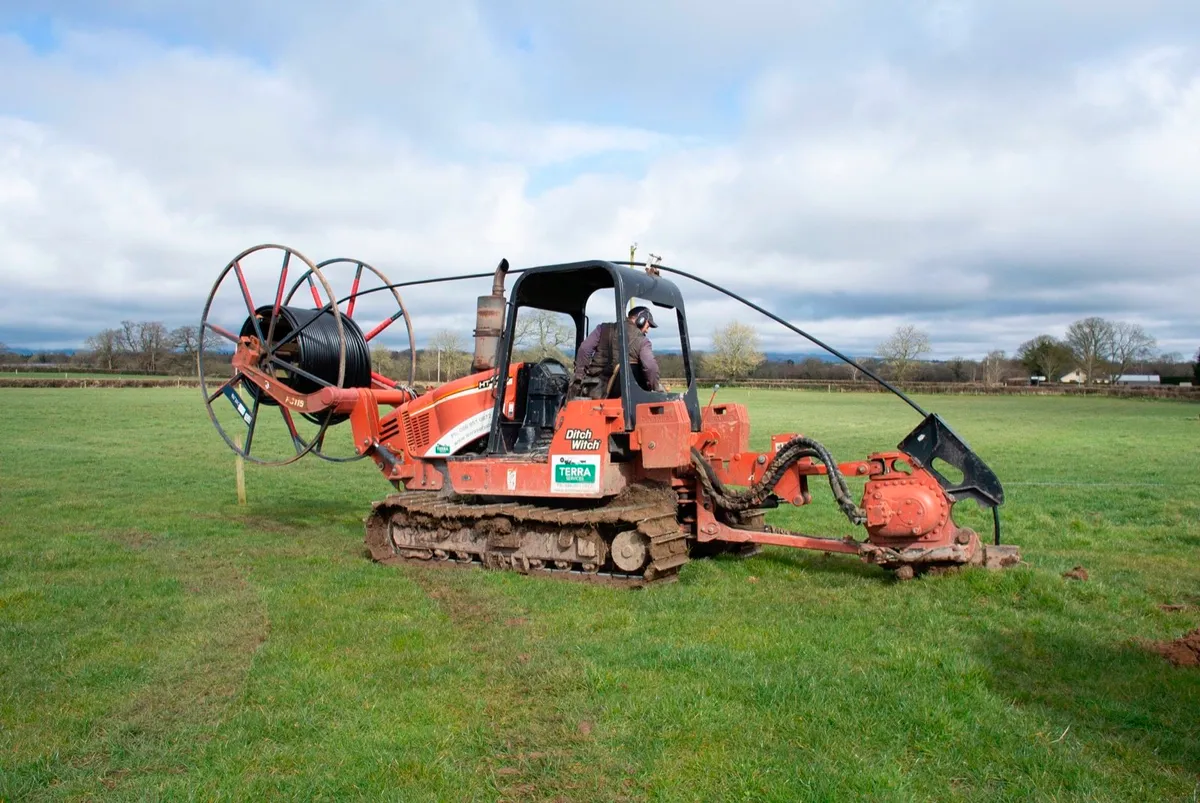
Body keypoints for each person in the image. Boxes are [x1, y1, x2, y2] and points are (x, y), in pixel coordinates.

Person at [571, 305, 663, 398]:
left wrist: (579, 376)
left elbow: (584, 349)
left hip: (593, 390)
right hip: (621, 396)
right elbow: (651, 367)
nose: (647, 330)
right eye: (648, 326)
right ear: (641, 321)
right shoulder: (643, 341)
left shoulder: (602, 329)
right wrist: (656, 388)